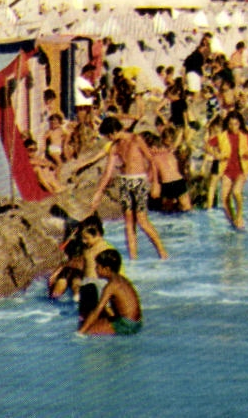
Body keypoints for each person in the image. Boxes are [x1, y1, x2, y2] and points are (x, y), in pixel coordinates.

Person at [81, 118, 169, 260]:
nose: (109, 138)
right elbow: (108, 173)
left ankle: (162, 253)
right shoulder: (115, 147)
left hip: (139, 181)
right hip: (125, 182)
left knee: (142, 220)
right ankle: (133, 259)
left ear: (115, 130)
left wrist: (155, 183)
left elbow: (152, 160)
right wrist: (98, 193)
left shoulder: (136, 139)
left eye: (109, 135)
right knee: (128, 223)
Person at [78, 249, 143, 336]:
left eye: (97, 267)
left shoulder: (111, 286)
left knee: (87, 330)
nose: (95, 269)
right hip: (137, 323)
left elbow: (96, 311)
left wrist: (79, 333)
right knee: (94, 321)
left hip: (127, 325)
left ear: (107, 269)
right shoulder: (121, 279)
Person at [213, 111, 248, 232]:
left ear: (240, 124)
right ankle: (233, 222)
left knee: (236, 192)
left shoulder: (245, 136)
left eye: (236, 124)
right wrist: (216, 154)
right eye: (231, 124)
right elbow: (207, 145)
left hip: (241, 170)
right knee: (224, 199)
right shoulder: (222, 136)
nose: (233, 127)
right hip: (226, 170)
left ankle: (239, 216)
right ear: (227, 124)